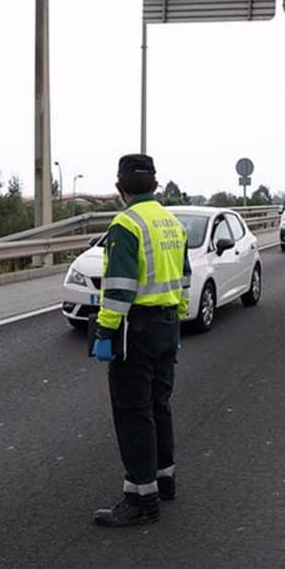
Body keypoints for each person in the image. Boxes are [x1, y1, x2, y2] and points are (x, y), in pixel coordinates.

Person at [90, 154, 192, 527]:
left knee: (133, 413)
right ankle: (165, 480)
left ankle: (141, 499)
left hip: (136, 329)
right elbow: (184, 278)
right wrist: (176, 319)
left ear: (120, 189)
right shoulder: (172, 222)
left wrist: (105, 330)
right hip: (166, 325)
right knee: (159, 404)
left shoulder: (125, 224)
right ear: (155, 185)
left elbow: (118, 290)